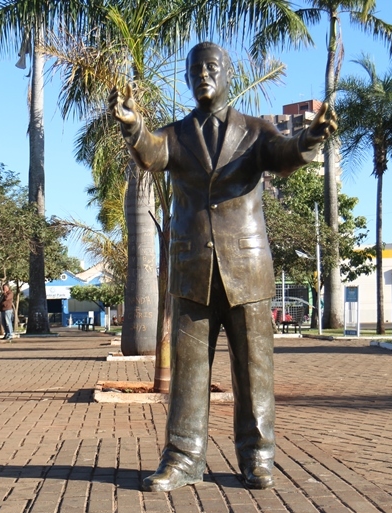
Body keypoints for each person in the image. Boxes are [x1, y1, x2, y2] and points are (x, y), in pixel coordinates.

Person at [108, 42, 337, 492]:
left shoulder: (256, 131)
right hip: (193, 268)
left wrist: (310, 139)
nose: (202, 75)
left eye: (211, 67)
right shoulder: (176, 135)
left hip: (247, 270)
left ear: (228, 74)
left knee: (254, 371)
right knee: (189, 372)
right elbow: (152, 153)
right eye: (194, 69)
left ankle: (258, 458)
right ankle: (183, 458)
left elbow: (285, 155)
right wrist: (135, 128)